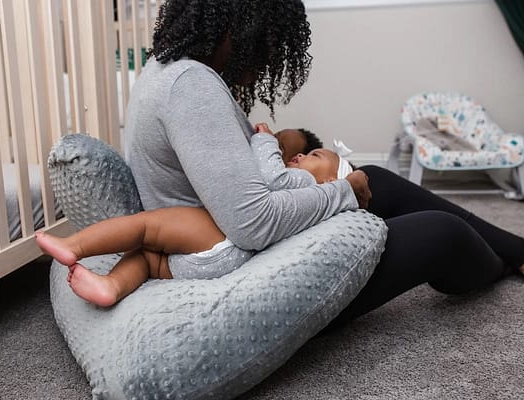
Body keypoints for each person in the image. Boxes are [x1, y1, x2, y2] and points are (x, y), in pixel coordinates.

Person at [121, 0, 524, 328]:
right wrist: (342, 192)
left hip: (229, 246)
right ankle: (502, 264)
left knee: (378, 180)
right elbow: (252, 223)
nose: (270, 57)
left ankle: (517, 251)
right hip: (241, 270)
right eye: (268, 42)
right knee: (442, 234)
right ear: (236, 24)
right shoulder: (189, 86)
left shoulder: (168, 70)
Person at [36, 126, 348, 307]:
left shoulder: (309, 186)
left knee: (146, 226)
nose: (300, 157)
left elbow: (272, 178)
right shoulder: (312, 198)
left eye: (313, 156)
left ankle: (75, 246)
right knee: (147, 258)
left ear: (331, 181)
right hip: (220, 258)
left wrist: (265, 139)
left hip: (222, 237)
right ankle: (111, 287)